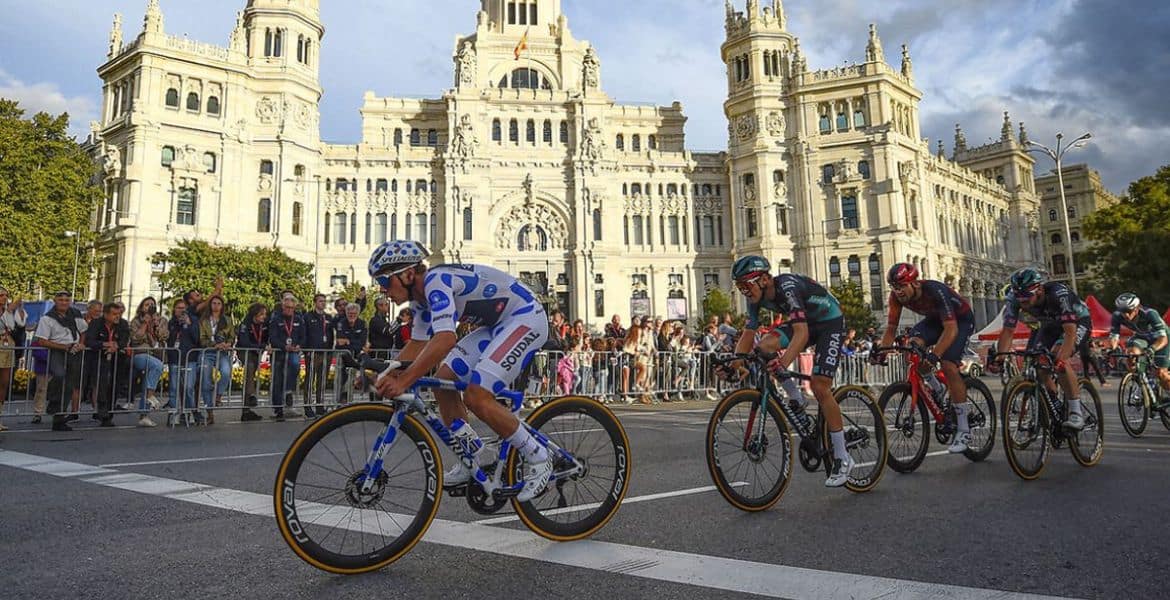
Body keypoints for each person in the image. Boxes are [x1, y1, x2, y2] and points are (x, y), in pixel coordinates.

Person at [369, 240, 552, 502]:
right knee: (442, 381)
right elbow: (418, 345)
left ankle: (539, 456)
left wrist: (405, 380)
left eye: (385, 282)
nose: (382, 290)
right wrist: (388, 373)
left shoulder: (436, 281)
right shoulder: (421, 303)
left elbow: (445, 339)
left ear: (408, 274)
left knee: (477, 396)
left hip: (525, 317)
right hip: (497, 325)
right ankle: (474, 455)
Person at [727, 255, 854, 487]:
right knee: (764, 346)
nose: (744, 291)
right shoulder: (754, 297)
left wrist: (783, 364)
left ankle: (842, 457)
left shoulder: (787, 287)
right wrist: (736, 361)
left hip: (829, 322)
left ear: (764, 279)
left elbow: (802, 334)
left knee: (819, 385)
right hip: (806, 323)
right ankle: (797, 400)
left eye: (746, 284)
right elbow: (748, 332)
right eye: (739, 286)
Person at [874, 263, 976, 453]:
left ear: (915, 284)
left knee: (947, 364)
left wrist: (935, 355)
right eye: (895, 288)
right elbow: (890, 329)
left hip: (959, 321)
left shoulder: (935, 290)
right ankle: (936, 386)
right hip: (935, 320)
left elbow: (951, 329)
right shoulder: (896, 298)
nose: (899, 292)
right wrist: (882, 351)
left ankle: (963, 429)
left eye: (902, 286)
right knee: (910, 346)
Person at [991, 268, 1092, 430]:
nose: (1022, 302)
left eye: (1026, 298)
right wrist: (1000, 358)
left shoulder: (1059, 295)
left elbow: (1070, 333)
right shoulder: (1013, 298)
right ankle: (1054, 404)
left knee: (1059, 359)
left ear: (1039, 289)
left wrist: (1061, 360)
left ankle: (1076, 413)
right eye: (1020, 298)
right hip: (1049, 325)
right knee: (1039, 364)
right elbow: (1008, 330)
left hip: (1077, 323)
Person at [1109, 293, 1170, 393]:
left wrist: (1152, 349)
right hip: (1142, 337)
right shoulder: (1116, 316)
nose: (1126, 315)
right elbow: (1114, 336)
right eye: (1123, 312)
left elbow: (1163, 339)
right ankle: (1141, 382)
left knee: (1161, 374)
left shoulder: (1150, 314)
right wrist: (1111, 349)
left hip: (1161, 339)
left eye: (1129, 311)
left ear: (1136, 309)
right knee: (1131, 354)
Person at [86, 302, 130, 427]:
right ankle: (103, 412)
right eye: (114, 314)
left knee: (115, 385)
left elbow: (124, 339)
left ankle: (109, 412)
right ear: (106, 314)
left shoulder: (123, 324)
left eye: (119, 314)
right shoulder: (96, 323)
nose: (117, 316)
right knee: (102, 384)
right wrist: (105, 344)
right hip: (100, 358)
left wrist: (116, 345)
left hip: (117, 359)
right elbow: (90, 340)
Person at [128, 297, 167, 427]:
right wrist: (145, 323)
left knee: (147, 382)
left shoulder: (161, 320)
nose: (149, 307)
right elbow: (135, 338)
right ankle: (151, 396)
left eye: (152, 304)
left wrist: (155, 324)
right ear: (142, 307)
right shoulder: (136, 321)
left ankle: (144, 415)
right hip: (141, 354)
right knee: (158, 366)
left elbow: (164, 336)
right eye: (146, 304)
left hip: (155, 354)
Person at [197, 295, 235, 425]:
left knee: (226, 372)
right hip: (207, 352)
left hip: (222, 352)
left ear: (222, 306)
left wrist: (228, 344)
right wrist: (214, 344)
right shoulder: (204, 320)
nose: (216, 306)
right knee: (206, 381)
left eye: (219, 303)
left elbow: (231, 336)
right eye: (214, 303)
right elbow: (201, 339)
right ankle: (210, 412)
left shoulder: (227, 320)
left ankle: (218, 395)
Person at [269, 295, 306, 420]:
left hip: (293, 352)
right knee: (277, 380)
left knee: (295, 365)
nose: (289, 309)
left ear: (294, 307)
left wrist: (298, 345)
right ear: (282, 306)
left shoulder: (299, 319)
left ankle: (288, 391)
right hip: (279, 353)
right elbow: (273, 338)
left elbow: (303, 336)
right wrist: (284, 346)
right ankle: (277, 409)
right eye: (286, 307)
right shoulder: (276, 319)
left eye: (291, 307)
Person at [302, 294, 335, 418]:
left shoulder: (328, 317)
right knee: (310, 380)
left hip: (325, 352)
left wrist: (330, 349)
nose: (323, 303)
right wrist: (306, 350)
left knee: (322, 380)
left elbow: (331, 334)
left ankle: (320, 405)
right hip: (312, 352)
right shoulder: (308, 317)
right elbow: (304, 334)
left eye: (324, 301)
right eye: (321, 301)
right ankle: (308, 406)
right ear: (315, 302)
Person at [235, 303, 268, 422]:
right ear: (255, 314)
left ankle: (246, 410)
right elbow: (244, 342)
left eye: (265, 314)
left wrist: (262, 346)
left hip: (256, 352)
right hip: (245, 351)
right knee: (249, 367)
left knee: (250, 377)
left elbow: (266, 339)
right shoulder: (245, 324)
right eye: (262, 314)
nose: (264, 317)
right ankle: (252, 395)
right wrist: (259, 346)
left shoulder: (264, 325)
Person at [0, 287, 27, 431]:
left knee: (4, 382)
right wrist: (7, 311)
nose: (4, 298)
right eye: (1, 295)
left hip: (7, 345)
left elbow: (21, 324)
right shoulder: (6, 312)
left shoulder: (9, 312)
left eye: (6, 295)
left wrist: (20, 309)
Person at [334, 302, 368, 405]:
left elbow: (362, 342)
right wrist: (352, 342)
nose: (351, 315)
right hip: (344, 357)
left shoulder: (362, 324)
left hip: (357, 356)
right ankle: (340, 400)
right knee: (342, 378)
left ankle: (347, 398)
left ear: (357, 313)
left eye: (354, 313)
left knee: (355, 374)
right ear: (346, 313)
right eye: (349, 313)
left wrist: (348, 341)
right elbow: (339, 342)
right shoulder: (341, 323)